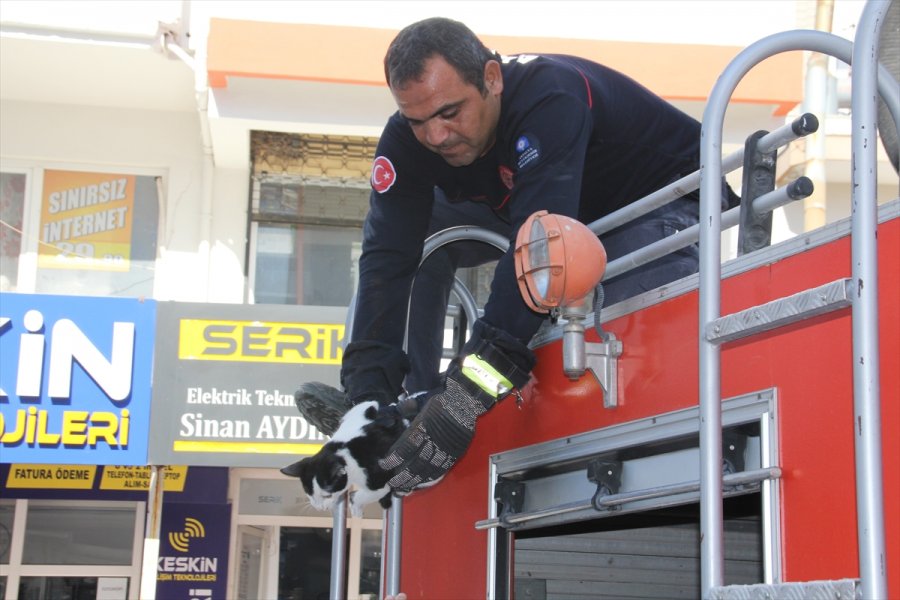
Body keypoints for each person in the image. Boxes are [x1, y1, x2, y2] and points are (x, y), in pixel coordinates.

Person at [296, 17, 739, 494]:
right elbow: (387, 259)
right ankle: (404, 405)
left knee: (603, 324)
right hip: (543, 210)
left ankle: (453, 398)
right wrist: (366, 393)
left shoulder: (551, 97)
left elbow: (539, 257)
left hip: (653, 201)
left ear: (492, 79)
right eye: (417, 120)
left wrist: (466, 397)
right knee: (415, 234)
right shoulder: (411, 138)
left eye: (450, 112)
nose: (436, 136)